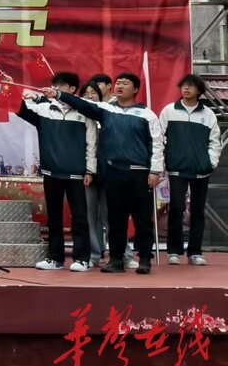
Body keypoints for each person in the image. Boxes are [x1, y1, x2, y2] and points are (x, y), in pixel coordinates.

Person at [46, 73, 161, 275]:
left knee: (142, 219)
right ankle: (116, 259)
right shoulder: (106, 109)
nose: (120, 85)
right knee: (115, 219)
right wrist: (58, 95)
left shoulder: (147, 114)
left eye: (125, 83)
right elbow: (82, 104)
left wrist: (155, 171)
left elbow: (157, 144)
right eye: (118, 83)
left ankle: (144, 258)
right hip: (113, 172)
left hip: (139, 174)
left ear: (135, 89)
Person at [10, 72, 96, 272]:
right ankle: (55, 258)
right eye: (54, 85)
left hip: (77, 174)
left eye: (60, 86)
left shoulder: (84, 112)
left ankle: (82, 259)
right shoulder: (44, 109)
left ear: (72, 89)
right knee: (54, 218)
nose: (55, 89)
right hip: (51, 173)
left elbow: (92, 144)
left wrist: (90, 170)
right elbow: (19, 109)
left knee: (80, 218)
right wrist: (11, 87)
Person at [156, 74, 221, 266]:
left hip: (201, 170)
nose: (186, 89)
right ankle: (173, 251)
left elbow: (215, 142)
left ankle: (195, 252)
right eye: (184, 85)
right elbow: (159, 138)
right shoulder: (169, 111)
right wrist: (164, 161)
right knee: (176, 208)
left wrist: (210, 163)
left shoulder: (208, 114)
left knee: (197, 211)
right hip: (177, 169)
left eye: (190, 86)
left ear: (199, 91)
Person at [80, 81, 109, 266]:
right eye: (86, 93)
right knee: (90, 216)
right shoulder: (79, 116)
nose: (90, 96)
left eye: (93, 93)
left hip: (109, 172)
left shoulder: (109, 113)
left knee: (110, 215)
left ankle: (121, 254)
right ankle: (94, 255)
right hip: (88, 173)